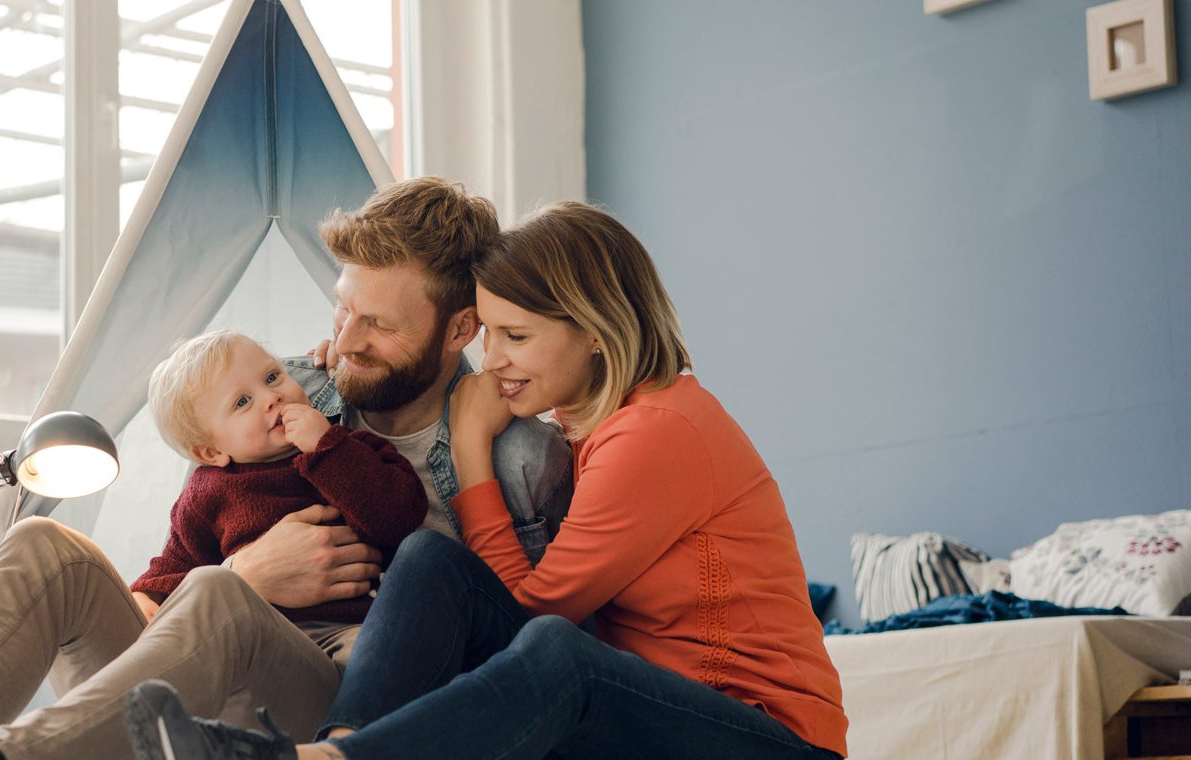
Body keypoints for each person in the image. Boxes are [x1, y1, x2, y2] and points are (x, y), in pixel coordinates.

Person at [0, 178, 574, 760]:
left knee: (222, 594)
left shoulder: (516, 454)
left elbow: (512, 668)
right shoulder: (292, 386)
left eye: (378, 324)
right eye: (343, 307)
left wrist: (234, 587)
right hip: (202, 659)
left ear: (458, 327)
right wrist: (235, 578)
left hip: (336, 696)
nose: (344, 338)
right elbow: (184, 548)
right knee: (48, 551)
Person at [126, 201, 849, 760]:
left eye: (518, 336)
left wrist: (471, 447)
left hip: (763, 735)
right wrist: (345, 350)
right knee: (427, 558)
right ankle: (338, 742)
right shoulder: (587, 426)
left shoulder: (657, 432)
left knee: (560, 654)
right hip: (640, 724)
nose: (493, 359)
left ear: (594, 330)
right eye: (491, 332)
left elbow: (536, 612)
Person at [126, 329, 428, 625]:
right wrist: (148, 594)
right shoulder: (205, 492)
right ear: (211, 453)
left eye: (272, 377)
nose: (272, 397)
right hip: (264, 636)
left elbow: (403, 515)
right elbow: (178, 564)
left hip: (359, 626)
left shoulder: (349, 447)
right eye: (242, 402)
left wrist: (327, 447)